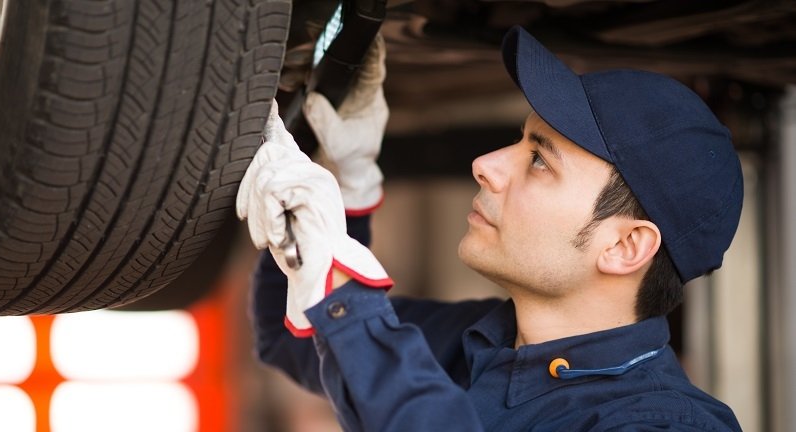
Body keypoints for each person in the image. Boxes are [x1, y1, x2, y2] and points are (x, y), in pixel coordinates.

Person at [236, 26, 744, 431]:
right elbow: (295, 338)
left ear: (625, 245)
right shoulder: (486, 340)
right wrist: (348, 188)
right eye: (519, 141)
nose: (485, 164)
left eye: (540, 160)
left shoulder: (666, 424)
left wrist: (344, 293)